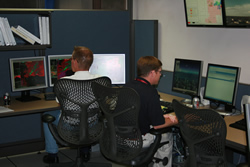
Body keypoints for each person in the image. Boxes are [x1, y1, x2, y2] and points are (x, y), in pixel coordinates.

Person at [43, 46, 100, 164]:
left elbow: (59, 102)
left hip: (69, 126)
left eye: (71, 60)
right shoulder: (100, 80)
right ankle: (85, 151)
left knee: (47, 115)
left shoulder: (64, 81)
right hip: (92, 125)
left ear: (75, 61)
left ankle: (53, 154)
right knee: (85, 117)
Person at [124, 56, 178, 167]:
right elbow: (158, 125)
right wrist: (176, 120)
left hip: (123, 136)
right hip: (139, 139)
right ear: (152, 73)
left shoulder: (128, 86)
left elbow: (140, 111)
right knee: (167, 135)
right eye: (159, 72)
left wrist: (164, 115)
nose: (160, 75)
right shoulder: (150, 92)